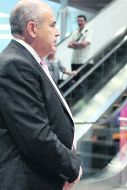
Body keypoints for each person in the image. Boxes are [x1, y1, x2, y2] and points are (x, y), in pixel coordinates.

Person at [0, 1, 82, 190]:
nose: (58, 32)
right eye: (52, 25)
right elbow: (36, 136)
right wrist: (73, 168)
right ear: (32, 29)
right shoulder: (16, 64)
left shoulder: (28, 62)